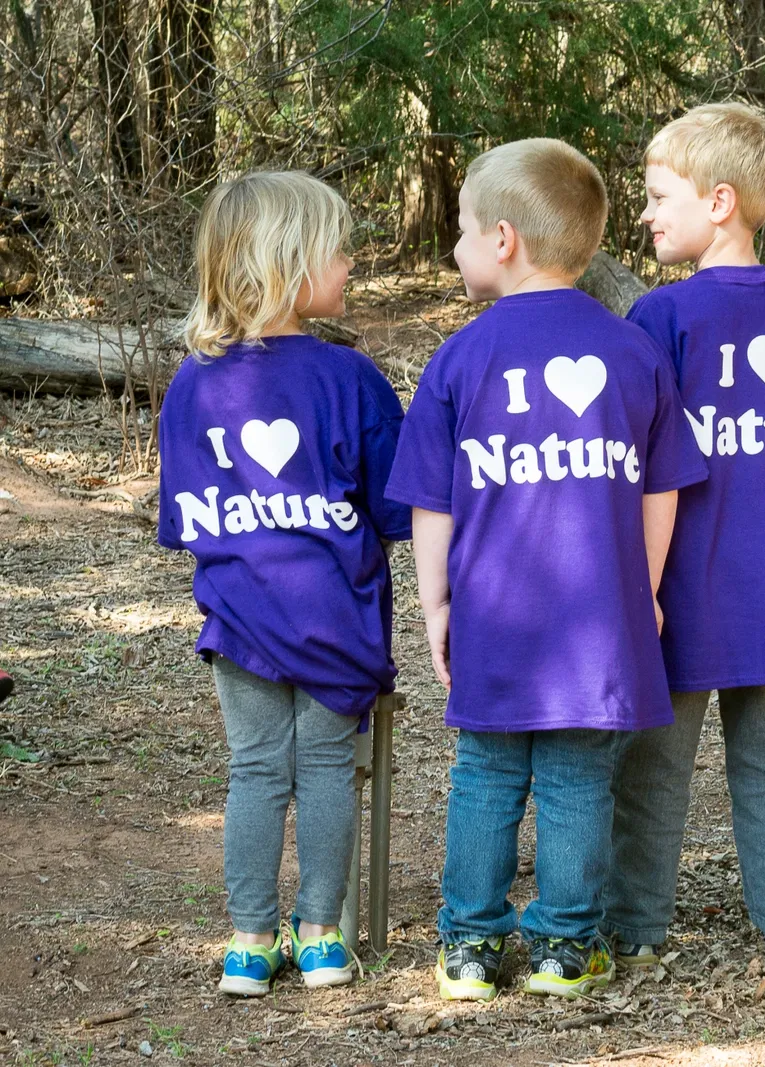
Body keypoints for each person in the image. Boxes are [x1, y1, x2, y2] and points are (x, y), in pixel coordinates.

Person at [385, 138, 707, 1001]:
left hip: (494, 611)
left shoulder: (461, 358)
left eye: (457, 229)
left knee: (487, 772)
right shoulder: (633, 351)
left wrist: (436, 603)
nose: (452, 246)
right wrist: (643, 587)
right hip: (600, 622)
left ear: (502, 240)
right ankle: (565, 948)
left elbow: (431, 503)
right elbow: (661, 489)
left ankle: (469, 949)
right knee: (576, 775)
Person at [603, 102, 765, 969]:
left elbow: (632, 463)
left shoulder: (660, 320)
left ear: (719, 202)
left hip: (676, 597)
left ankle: (633, 926)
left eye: (657, 195)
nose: (645, 213)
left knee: (649, 770)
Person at [156, 171, 412, 995]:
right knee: (327, 768)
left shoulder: (192, 386)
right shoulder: (351, 380)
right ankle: (322, 937)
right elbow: (394, 506)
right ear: (288, 262)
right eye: (338, 249)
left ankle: (247, 943)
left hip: (239, 621)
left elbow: (183, 519)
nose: (349, 264)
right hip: (336, 619)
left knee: (258, 770)